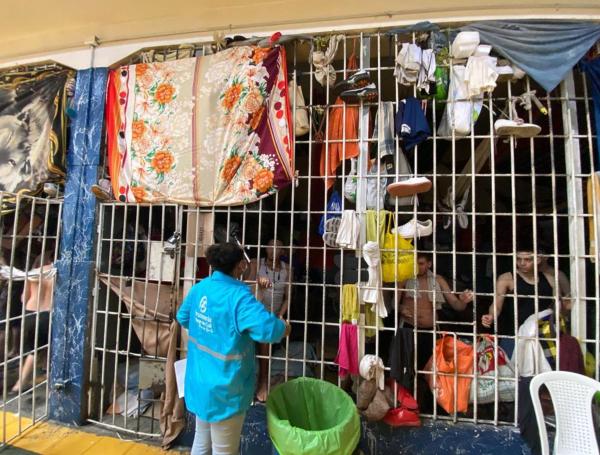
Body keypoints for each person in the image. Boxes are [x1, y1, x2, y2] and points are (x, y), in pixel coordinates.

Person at [177, 242, 290, 455]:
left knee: (201, 442)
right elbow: (267, 330)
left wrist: (208, 331)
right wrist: (284, 328)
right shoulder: (239, 298)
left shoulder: (201, 288)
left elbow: (183, 316)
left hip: (199, 381)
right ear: (240, 266)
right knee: (224, 450)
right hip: (226, 389)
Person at [398, 252, 474, 369]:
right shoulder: (404, 278)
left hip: (430, 330)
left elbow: (456, 305)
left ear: (429, 264)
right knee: (405, 367)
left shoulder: (438, 280)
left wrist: (463, 301)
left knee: (430, 368)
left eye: (421, 264)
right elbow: (393, 304)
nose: (417, 267)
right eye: (415, 264)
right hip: (408, 328)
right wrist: (401, 308)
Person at [481, 242, 558, 357]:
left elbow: (557, 306)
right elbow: (496, 305)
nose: (522, 263)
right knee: (511, 367)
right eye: (518, 259)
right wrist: (491, 316)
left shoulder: (550, 279)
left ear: (538, 259)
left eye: (527, 260)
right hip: (512, 335)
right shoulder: (507, 278)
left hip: (542, 335)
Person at [246, 238, 292, 402]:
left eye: (277, 247)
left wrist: (280, 315)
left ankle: (262, 381)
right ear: (265, 248)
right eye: (270, 246)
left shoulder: (287, 269)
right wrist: (258, 282)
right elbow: (246, 287)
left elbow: (288, 298)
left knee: (265, 341)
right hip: (256, 312)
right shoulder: (256, 264)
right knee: (262, 341)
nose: (273, 250)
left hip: (274, 315)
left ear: (283, 251)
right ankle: (261, 382)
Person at [11, 252, 55, 394]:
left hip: (30, 312)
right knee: (40, 349)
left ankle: (24, 380)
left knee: (29, 348)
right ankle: (21, 384)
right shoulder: (57, 273)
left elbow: (24, 297)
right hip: (47, 313)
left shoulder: (33, 273)